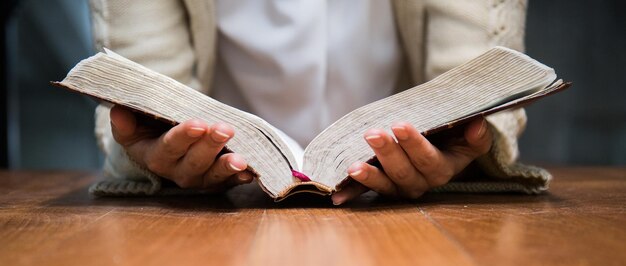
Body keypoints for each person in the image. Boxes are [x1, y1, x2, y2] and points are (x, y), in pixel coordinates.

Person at [89, 0, 551, 204]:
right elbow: (145, 79)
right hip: (218, 215)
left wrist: (461, 142)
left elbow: (478, 76)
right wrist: (152, 148)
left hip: (401, 219)